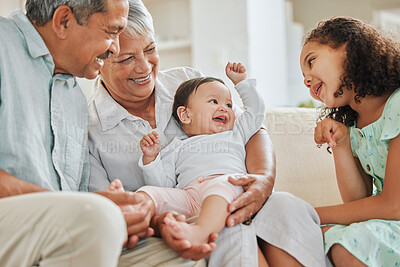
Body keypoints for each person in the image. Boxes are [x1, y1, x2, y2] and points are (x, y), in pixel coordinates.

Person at [88, 0, 329, 266]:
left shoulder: (187, 80)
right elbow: (109, 211)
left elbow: (250, 128)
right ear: (98, 60)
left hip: (233, 193)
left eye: (151, 49)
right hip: (180, 215)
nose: (145, 67)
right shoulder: (90, 128)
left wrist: (262, 180)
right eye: (127, 58)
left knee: (285, 207)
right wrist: (158, 220)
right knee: (231, 229)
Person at [0, 0, 159, 266]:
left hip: (55, 236)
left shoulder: (74, 99)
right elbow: (73, 213)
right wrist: (92, 213)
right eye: (111, 32)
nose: (116, 48)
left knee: (177, 250)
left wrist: (121, 215)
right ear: (64, 21)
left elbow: (74, 206)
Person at [121, 61, 267, 264]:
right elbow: (163, 183)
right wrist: (151, 158)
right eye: (214, 102)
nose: (224, 108)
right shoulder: (176, 147)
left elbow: (257, 113)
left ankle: (200, 232)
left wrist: (241, 83)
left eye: (229, 104)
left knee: (223, 183)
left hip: (227, 189)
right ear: (185, 115)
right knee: (149, 192)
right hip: (189, 196)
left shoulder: (236, 133)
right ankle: (129, 216)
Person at [300, 17, 400, 266]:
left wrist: (309, 214)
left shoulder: (397, 105)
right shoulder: (356, 125)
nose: (307, 80)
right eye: (304, 76)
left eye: (311, 61)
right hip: (390, 225)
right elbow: (358, 204)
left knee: (346, 243)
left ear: (347, 47)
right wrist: (342, 144)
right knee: (308, 239)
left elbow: (393, 205)